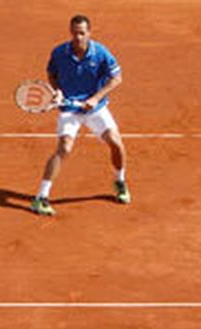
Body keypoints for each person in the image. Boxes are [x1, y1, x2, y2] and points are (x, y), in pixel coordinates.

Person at [30, 14, 129, 217]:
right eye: (75, 33)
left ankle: (119, 182)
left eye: (82, 33)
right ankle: (41, 197)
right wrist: (57, 91)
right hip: (70, 110)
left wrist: (95, 98)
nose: (78, 37)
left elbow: (117, 78)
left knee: (116, 144)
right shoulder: (59, 53)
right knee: (64, 148)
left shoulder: (100, 53)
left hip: (96, 108)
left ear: (89, 33)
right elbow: (52, 74)